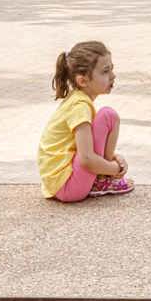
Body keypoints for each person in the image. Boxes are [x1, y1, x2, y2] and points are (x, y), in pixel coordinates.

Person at [39, 40, 132, 202]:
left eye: (112, 69)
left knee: (106, 116)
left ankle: (102, 176)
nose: (113, 75)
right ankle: (103, 178)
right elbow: (87, 158)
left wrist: (110, 159)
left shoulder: (77, 101)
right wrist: (115, 168)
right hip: (67, 186)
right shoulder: (80, 107)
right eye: (105, 71)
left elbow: (81, 150)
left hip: (57, 184)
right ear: (83, 81)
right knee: (108, 115)